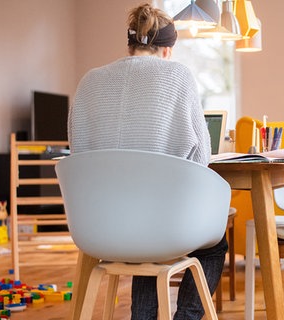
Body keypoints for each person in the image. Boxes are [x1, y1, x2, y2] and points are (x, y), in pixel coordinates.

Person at [68, 3, 227, 319]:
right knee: (213, 243)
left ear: (130, 44)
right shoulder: (177, 75)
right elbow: (201, 158)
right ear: (168, 50)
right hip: (157, 226)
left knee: (145, 228)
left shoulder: (89, 80)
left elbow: (78, 150)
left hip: (99, 227)